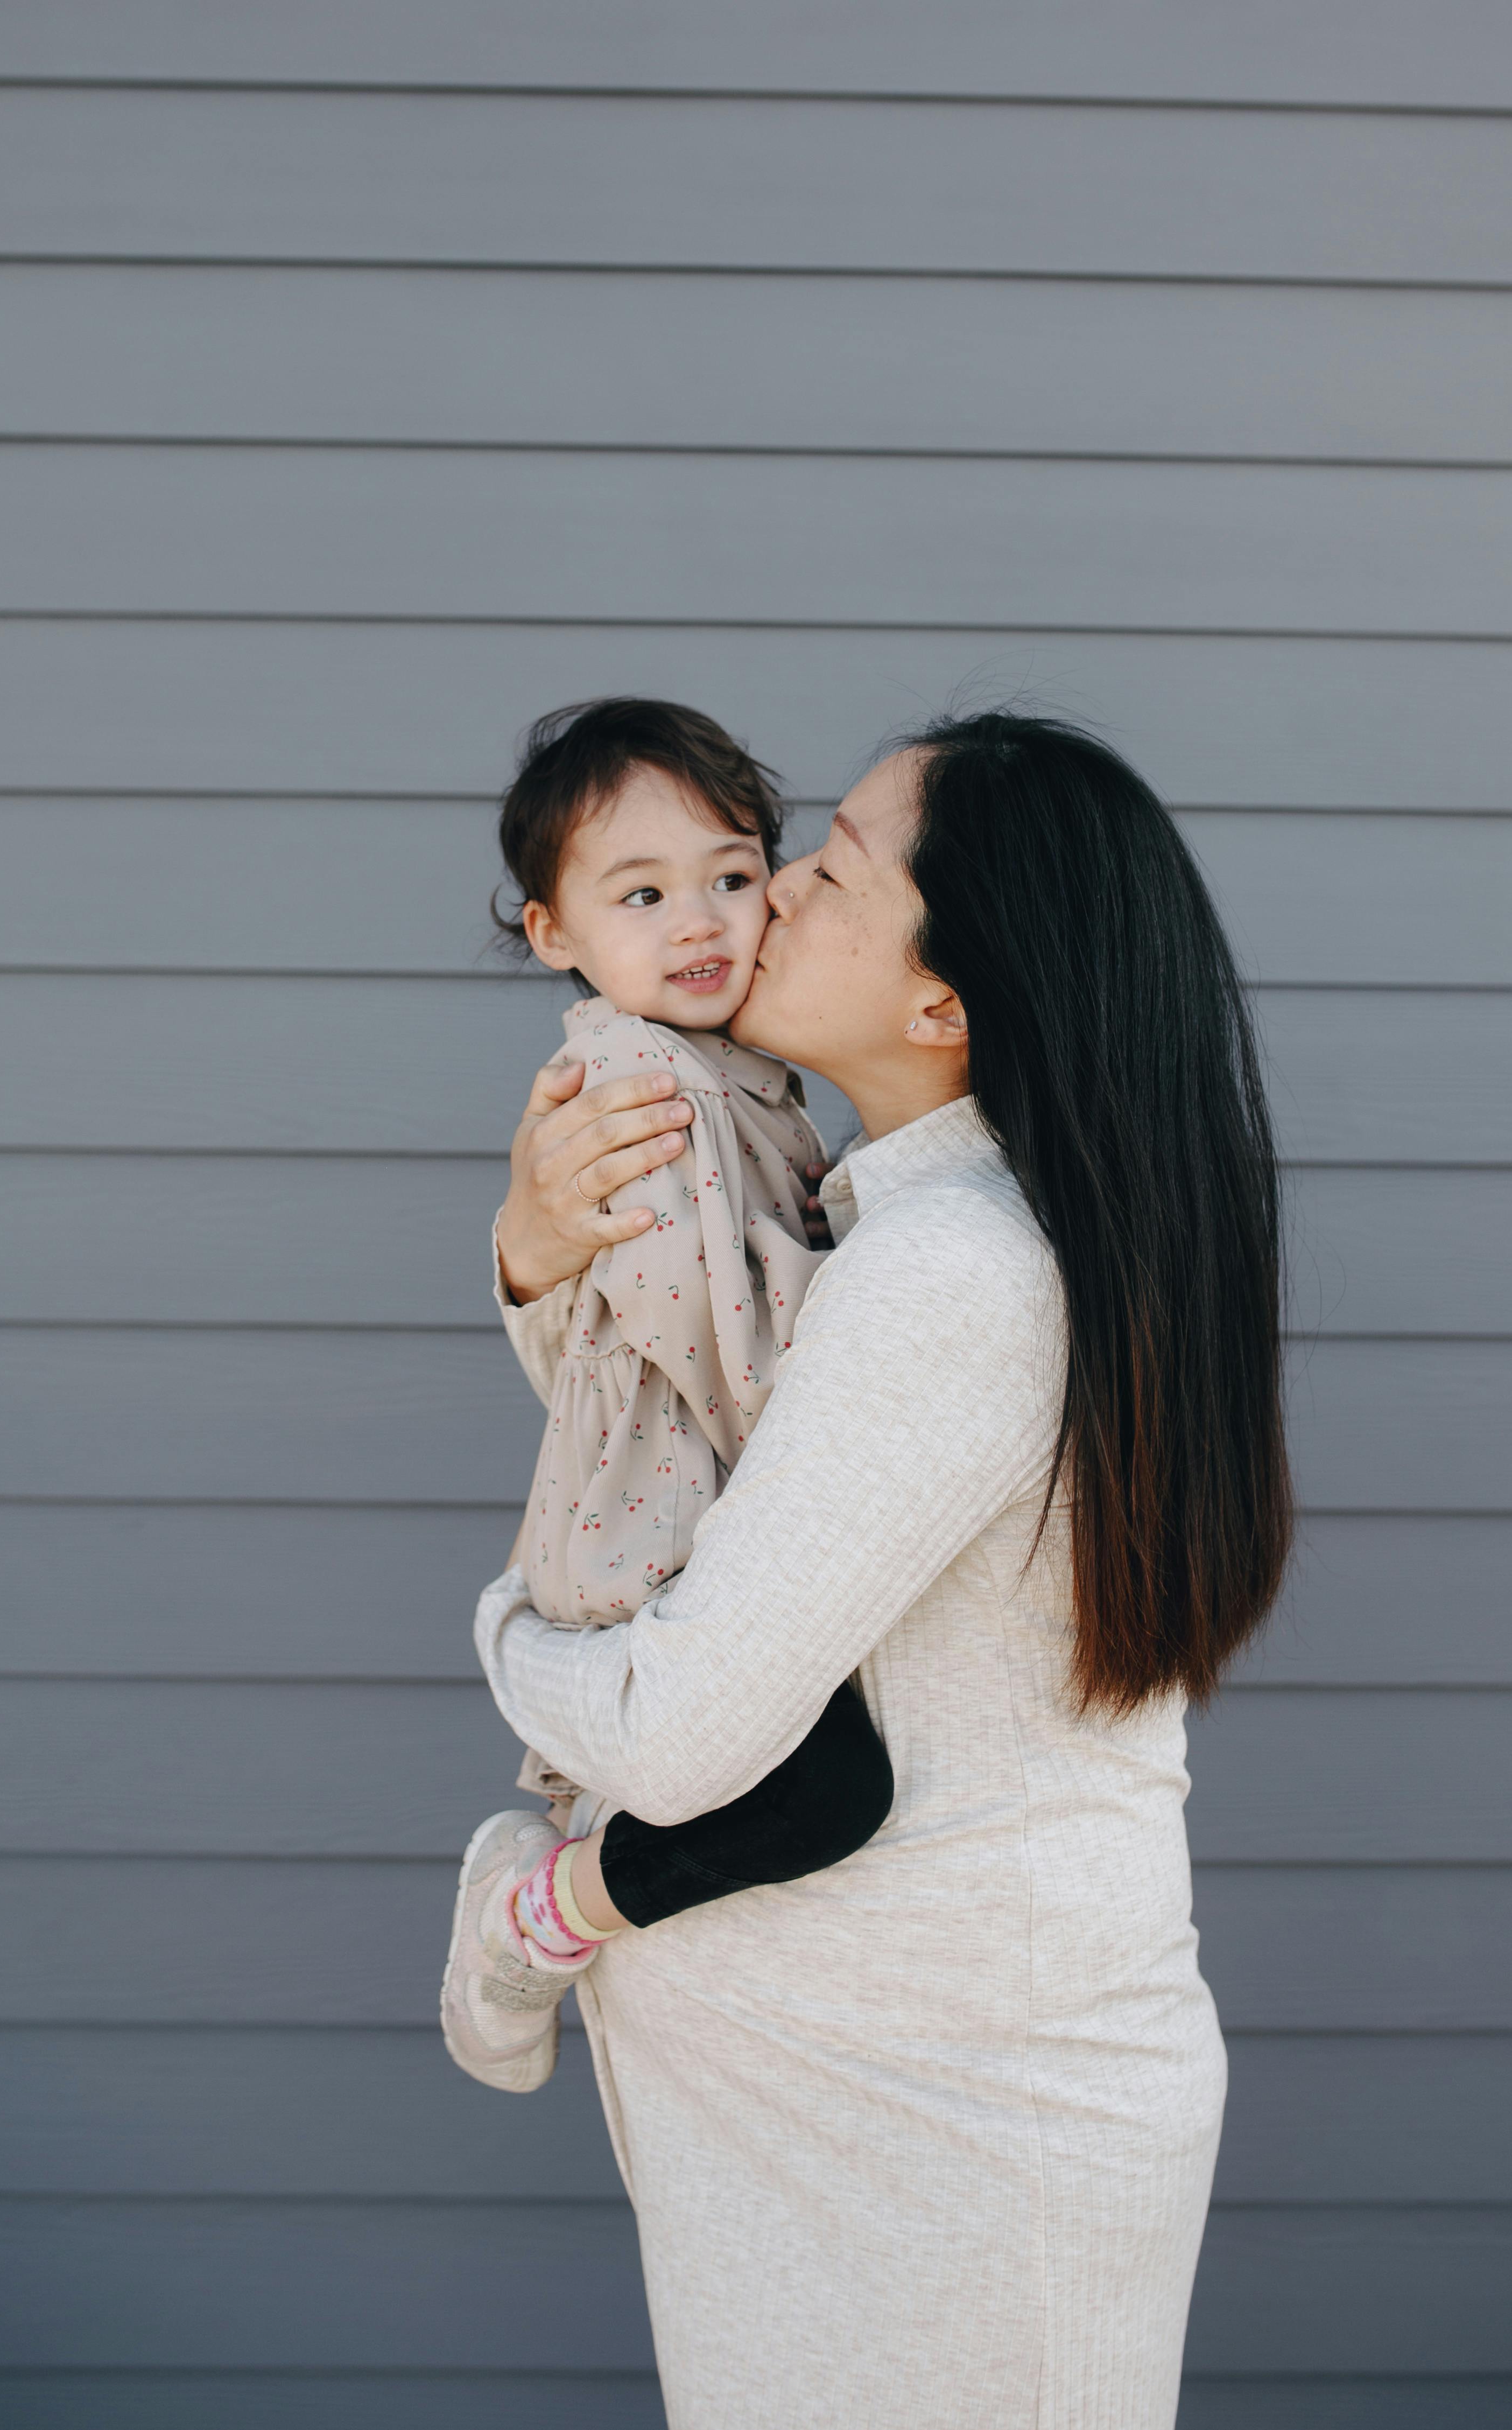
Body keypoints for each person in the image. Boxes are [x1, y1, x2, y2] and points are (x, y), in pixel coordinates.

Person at [474, 711, 1294, 2430]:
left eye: (826, 866)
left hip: (933, 2130)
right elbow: (689, 1445)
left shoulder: (948, 1271)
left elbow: (677, 1729)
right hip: (848, 2091)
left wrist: (504, 1633)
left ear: (944, 1003)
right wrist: (538, 1256)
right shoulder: (896, 1218)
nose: (760, 899)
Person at [441, 699, 894, 2098]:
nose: (700, 920)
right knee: (824, 1793)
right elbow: (692, 1328)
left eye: (733, 873)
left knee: (808, 1786)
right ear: (553, 931)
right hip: (648, 1534)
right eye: (641, 893)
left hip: (668, 1514)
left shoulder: (739, 1077)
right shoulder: (643, 1086)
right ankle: (534, 1913)